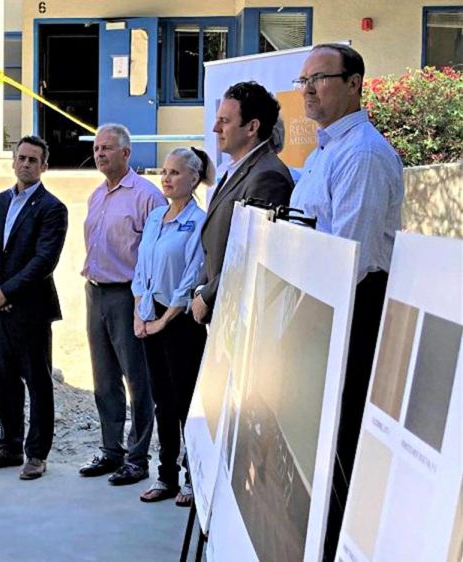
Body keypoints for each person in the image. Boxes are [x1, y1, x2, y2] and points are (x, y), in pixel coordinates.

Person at [289, 43, 404, 560]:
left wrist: (305, 323)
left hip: (351, 312)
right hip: (316, 308)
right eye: (304, 79)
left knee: (344, 446)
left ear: (355, 83)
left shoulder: (362, 154)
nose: (309, 89)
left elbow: (350, 258)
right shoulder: (321, 152)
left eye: (321, 78)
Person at [0, 136, 68, 480]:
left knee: (38, 381)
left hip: (31, 309)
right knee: (4, 378)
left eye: (33, 160)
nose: (25, 164)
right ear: (13, 161)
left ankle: (37, 454)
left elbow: (44, 260)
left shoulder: (52, 208)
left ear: (44, 166)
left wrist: (7, 292)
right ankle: (9, 447)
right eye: (21, 158)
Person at [79, 123, 165, 486]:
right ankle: (110, 449)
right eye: (97, 148)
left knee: (137, 378)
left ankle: (137, 456)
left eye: (107, 148)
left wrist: (143, 302)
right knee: (104, 379)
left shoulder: (147, 196)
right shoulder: (96, 195)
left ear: (126, 153)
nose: (100, 154)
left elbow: (156, 253)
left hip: (128, 295)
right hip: (95, 292)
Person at [132, 148, 213, 505]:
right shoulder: (155, 218)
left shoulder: (198, 221)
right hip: (150, 318)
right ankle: (164, 476)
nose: (167, 178)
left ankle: (192, 478)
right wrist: (140, 312)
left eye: (176, 173)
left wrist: (165, 319)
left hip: (179, 323)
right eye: (164, 172)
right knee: (161, 402)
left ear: (193, 178)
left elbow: (193, 273)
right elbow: (141, 269)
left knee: (184, 404)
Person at [190, 81, 294, 325]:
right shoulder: (235, 169)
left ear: (252, 127)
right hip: (225, 310)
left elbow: (253, 252)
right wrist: (200, 288)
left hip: (244, 317)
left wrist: (207, 295)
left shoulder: (268, 177)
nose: (215, 128)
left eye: (225, 121)